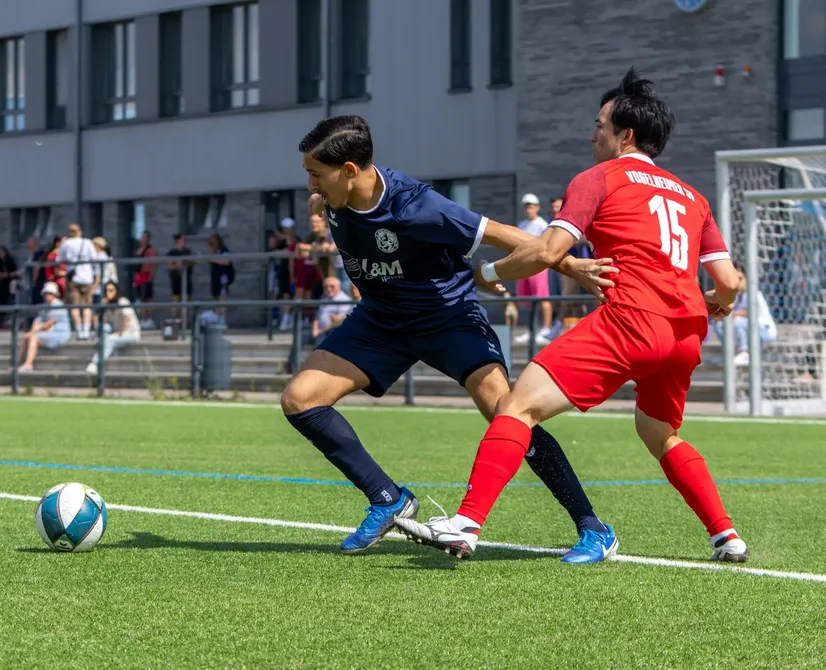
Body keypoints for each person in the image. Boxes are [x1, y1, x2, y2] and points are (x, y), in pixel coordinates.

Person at [396, 69, 749, 563]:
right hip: (686, 331)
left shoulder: (598, 178)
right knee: (659, 433)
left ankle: (465, 523)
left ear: (625, 135)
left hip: (631, 320)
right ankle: (727, 535)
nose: (592, 134)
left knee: (517, 405)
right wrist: (720, 303)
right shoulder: (693, 197)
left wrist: (487, 272)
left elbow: (547, 251)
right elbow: (730, 282)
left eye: (600, 124)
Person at [281, 114, 620, 561]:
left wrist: (570, 264)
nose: (310, 186)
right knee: (300, 399)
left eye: (315, 175)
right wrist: (322, 203)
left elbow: (505, 235)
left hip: (448, 317)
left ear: (349, 170)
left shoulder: (416, 204)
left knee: (510, 414)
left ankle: (593, 527)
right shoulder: (332, 199)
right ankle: (388, 498)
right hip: (380, 321)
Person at [714, 268, 777, 367]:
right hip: (744, 327)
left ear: (747, 279)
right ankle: (730, 353)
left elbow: (751, 313)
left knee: (738, 322)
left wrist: (733, 314)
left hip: (764, 330)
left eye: (740, 278)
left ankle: (745, 353)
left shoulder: (754, 294)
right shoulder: (736, 296)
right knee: (718, 325)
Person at [513, 194, 553, 345]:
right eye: (526, 207)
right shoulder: (521, 225)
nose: (529, 210)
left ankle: (546, 329)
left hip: (538, 266)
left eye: (531, 206)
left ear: (537, 207)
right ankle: (531, 329)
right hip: (524, 266)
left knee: (542, 297)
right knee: (527, 300)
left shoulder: (542, 225)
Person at [86, 281, 141, 376]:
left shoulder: (122, 301)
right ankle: (103, 347)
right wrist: (101, 309)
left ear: (116, 291)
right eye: (107, 291)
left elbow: (127, 317)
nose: (108, 293)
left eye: (111, 290)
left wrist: (121, 331)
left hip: (130, 333)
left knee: (110, 339)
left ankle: (95, 363)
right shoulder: (108, 304)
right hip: (116, 331)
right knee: (104, 328)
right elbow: (101, 321)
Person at [17, 282, 71, 372]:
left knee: (34, 337)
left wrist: (36, 330)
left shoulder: (58, 305)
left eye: (50, 293)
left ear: (54, 295)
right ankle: (17, 363)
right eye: (46, 294)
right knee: (26, 336)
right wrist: (34, 329)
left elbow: (48, 324)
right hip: (47, 332)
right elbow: (38, 321)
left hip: (59, 333)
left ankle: (28, 364)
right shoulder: (45, 305)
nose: (47, 296)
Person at [58, 224, 98, 340]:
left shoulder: (66, 244)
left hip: (73, 277)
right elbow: (94, 258)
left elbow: (60, 259)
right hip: (87, 277)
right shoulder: (87, 242)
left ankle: (79, 331)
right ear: (80, 232)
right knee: (87, 306)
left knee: (74, 306)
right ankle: (86, 331)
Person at [133, 231, 158, 329]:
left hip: (146, 276)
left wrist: (151, 276)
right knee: (141, 299)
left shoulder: (151, 250)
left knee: (148, 299)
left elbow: (153, 264)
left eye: (144, 237)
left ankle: (149, 319)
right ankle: (143, 319)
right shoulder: (139, 250)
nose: (141, 238)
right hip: (139, 277)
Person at [208, 232, 234, 318]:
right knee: (217, 298)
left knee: (222, 299)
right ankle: (218, 317)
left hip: (223, 278)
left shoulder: (224, 250)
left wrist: (214, 259)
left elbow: (226, 261)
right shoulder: (213, 252)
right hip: (215, 279)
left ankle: (222, 318)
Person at [167, 233, 194, 304]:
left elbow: (192, 262)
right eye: (183, 240)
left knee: (188, 298)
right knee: (176, 299)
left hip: (187, 279)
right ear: (178, 241)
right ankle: (175, 315)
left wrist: (181, 264)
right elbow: (170, 265)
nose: (184, 241)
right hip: (176, 278)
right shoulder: (172, 253)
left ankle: (187, 314)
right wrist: (179, 265)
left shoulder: (188, 252)